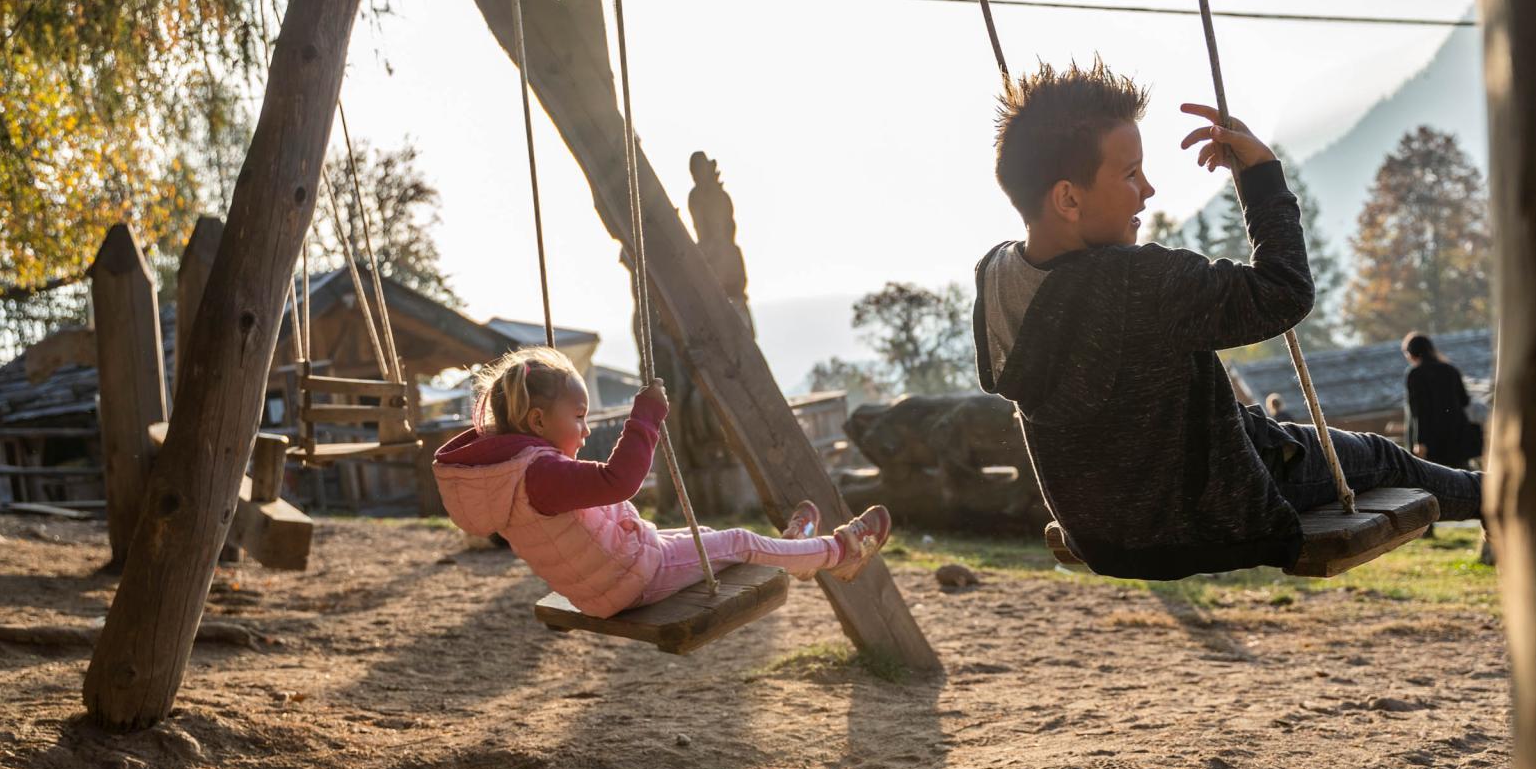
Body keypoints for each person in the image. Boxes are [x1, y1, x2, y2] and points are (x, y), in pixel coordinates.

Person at [972, 58, 1482, 580]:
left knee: (1277, 432)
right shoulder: (1136, 280)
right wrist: (1259, 173)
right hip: (1214, 513)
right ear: (1068, 197)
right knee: (1384, 459)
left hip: (1104, 533)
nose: (1147, 190)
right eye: (1130, 174)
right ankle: (1500, 497)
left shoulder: (996, 276)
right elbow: (1284, 293)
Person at [432, 347, 892, 617]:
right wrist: (646, 415)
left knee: (712, 538)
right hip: (631, 580)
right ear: (537, 419)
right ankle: (840, 553)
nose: (587, 429)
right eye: (579, 417)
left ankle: (799, 556)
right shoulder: (541, 474)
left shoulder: (509, 472)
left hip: (608, 579)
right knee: (738, 540)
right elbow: (620, 480)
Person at [1401, 332, 1477, 467]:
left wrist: (1419, 441)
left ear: (1411, 353)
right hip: (1457, 438)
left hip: (1431, 443)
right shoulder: (1451, 370)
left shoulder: (1415, 374)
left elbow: (1418, 411)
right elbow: (1465, 401)